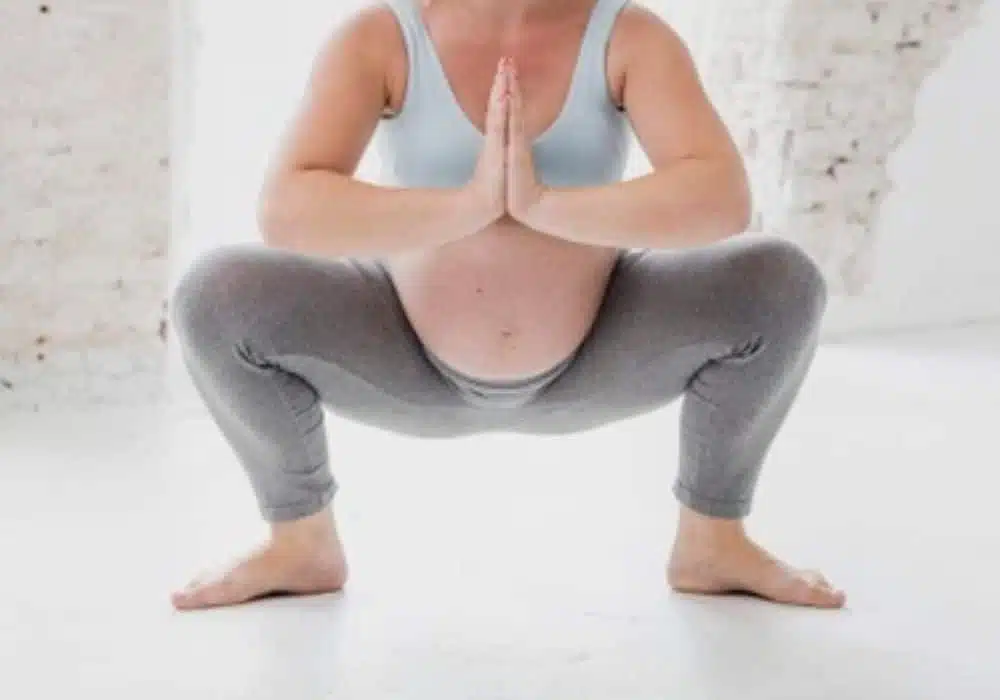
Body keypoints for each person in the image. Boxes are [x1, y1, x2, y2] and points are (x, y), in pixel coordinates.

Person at [169, 0, 845, 611]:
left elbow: (721, 198)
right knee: (215, 294)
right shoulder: (380, 37)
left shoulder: (629, 36)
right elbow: (288, 211)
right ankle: (300, 543)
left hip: (599, 359)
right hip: (403, 363)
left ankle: (712, 542)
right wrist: (470, 207)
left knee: (781, 281)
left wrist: (541, 205)